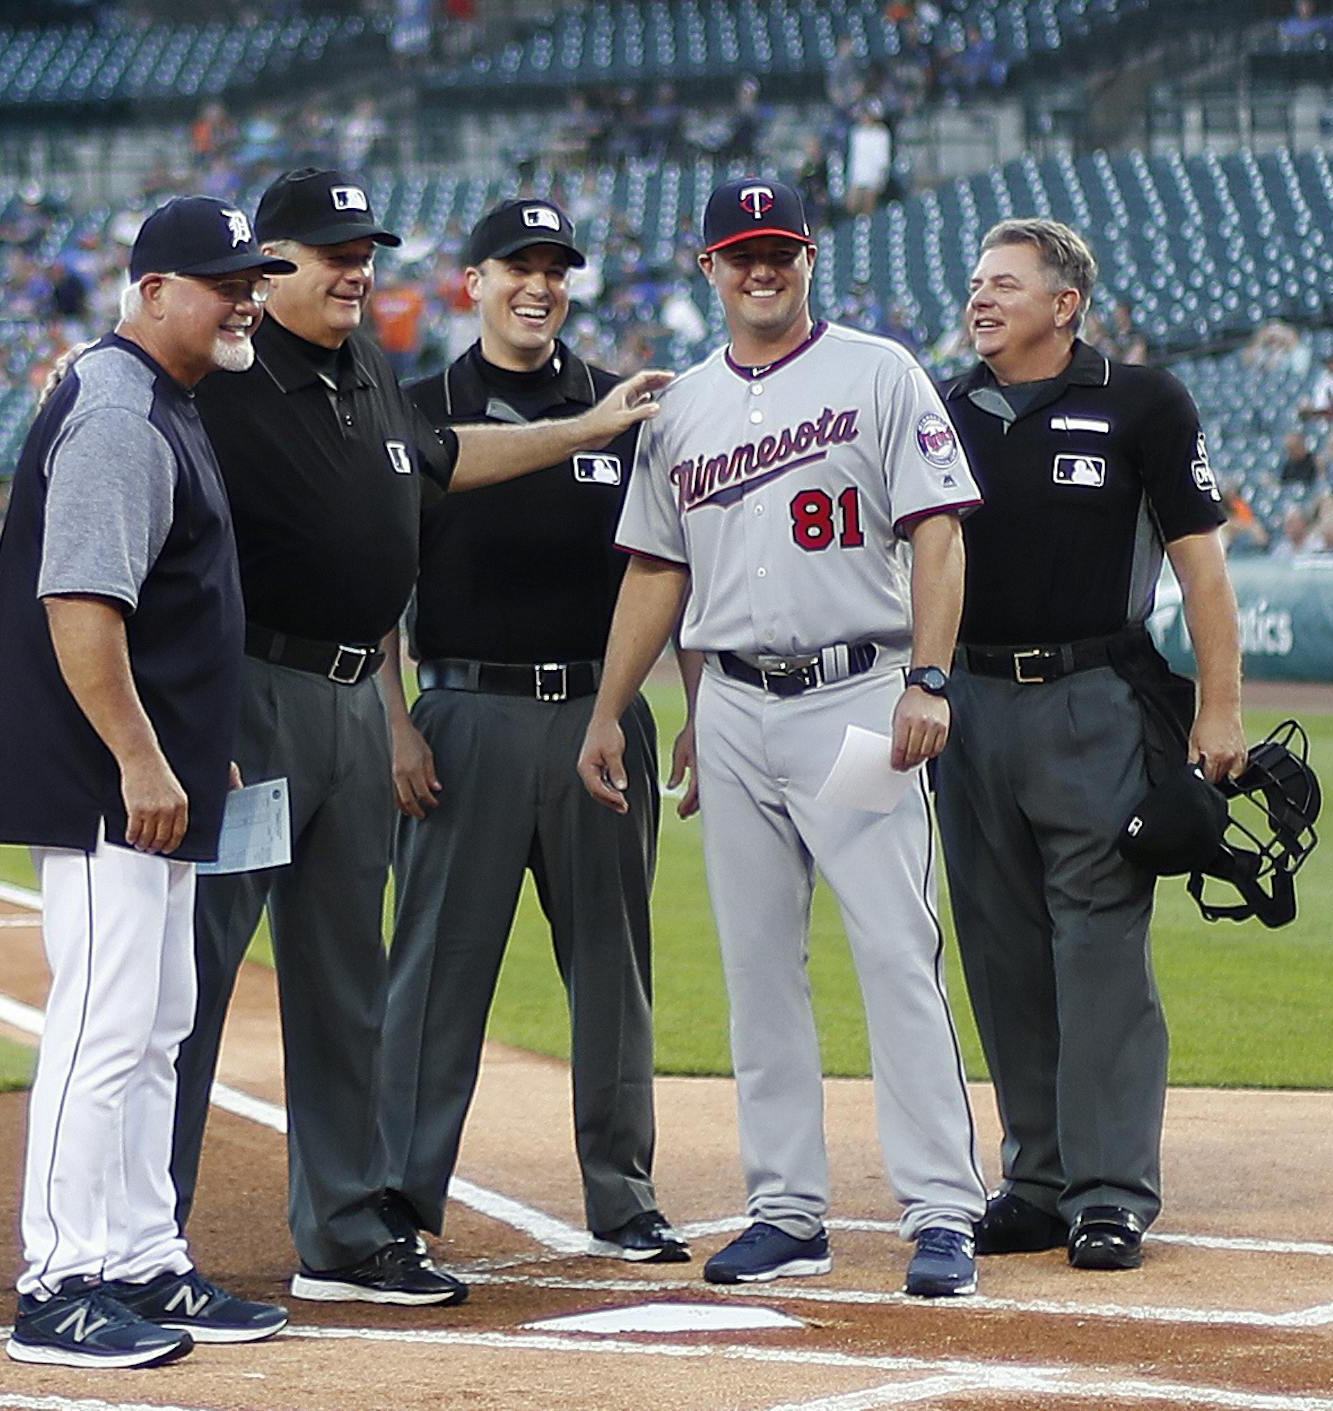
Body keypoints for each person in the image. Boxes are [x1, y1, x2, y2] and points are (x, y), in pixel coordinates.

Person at [171, 166, 668, 1308]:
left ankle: (347, 1231)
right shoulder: (220, 373)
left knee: (345, 980)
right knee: (191, 978)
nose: (355, 270)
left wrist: (588, 426)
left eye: (365, 252)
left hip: (354, 700)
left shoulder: (367, 372)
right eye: (331, 252)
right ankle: (143, 1234)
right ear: (268, 263)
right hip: (257, 701)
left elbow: (439, 461)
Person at [577, 176, 989, 1299]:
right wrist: (616, 709)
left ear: (809, 259)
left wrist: (930, 679)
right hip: (737, 717)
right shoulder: (684, 408)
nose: (764, 269)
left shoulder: (877, 371)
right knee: (760, 968)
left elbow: (939, 535)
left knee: (894, 950)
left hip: (856, 702)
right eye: (742, 252)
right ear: (708, 268)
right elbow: (658, 572)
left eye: (783, 250)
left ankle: (944, 1210)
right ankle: (787, 1211)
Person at [0, 196, 296, 1370]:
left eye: (253, 278)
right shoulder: (115, 408)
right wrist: (146, 755)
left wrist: (196, 749)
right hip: (105, 781)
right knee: (104, 1019)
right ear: (152, 291)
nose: (247, 297)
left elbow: (172, 613)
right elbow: (81, 606)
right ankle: (59, 1281)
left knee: (160, 1020)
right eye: (224, 281)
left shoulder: (167, 399)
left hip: (156, 771)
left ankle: (145, 1254)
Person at [375, 197, 685, 1266]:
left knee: (613, 967)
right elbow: (376, 581)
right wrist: (394, 725)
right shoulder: (418, 407)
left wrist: (687, 706)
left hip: (601, 716)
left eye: (556, 269)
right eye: (518, 266)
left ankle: (624, 1190)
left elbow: (670, 562)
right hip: (460, 717)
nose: (539, 285)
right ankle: (401, 1204)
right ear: (474, 284)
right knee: (434, 974)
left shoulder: (624, 404)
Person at [937, 218, 1246, 1273]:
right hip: (969, 704)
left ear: (1065, 304)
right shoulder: (945, 408)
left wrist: (1220, 707)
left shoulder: (1143, 402)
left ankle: (1111, 1191)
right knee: (1001, 947)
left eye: (1005, 285)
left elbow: (1203, 567)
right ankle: (1037, 1177)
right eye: (976, 284)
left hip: (1093, 697)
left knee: (1101, 945)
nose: (980, 299)